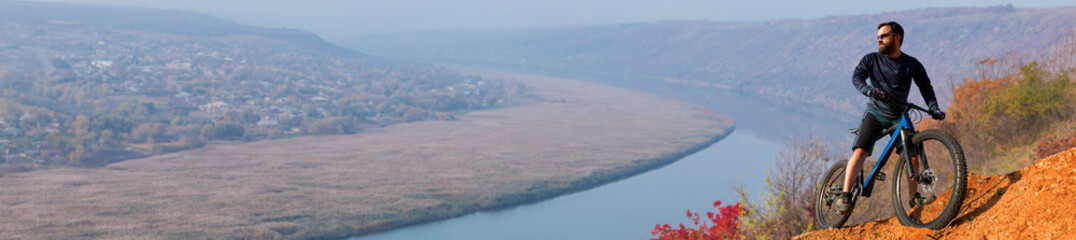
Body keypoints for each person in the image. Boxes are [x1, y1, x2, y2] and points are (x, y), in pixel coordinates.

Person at [833, 21, 947, 215]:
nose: (879, 39)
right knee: (861, 151)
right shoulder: (871, 59)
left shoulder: (912, 64)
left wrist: (934, 108)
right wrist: (868, 90)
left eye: (883, 36)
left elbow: (926, 88)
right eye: (878, 36)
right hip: (875, 113)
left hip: (899, 116)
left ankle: (914, 199)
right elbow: (857, 78)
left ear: (897, 37)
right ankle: (844, 195)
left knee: (912, 153)